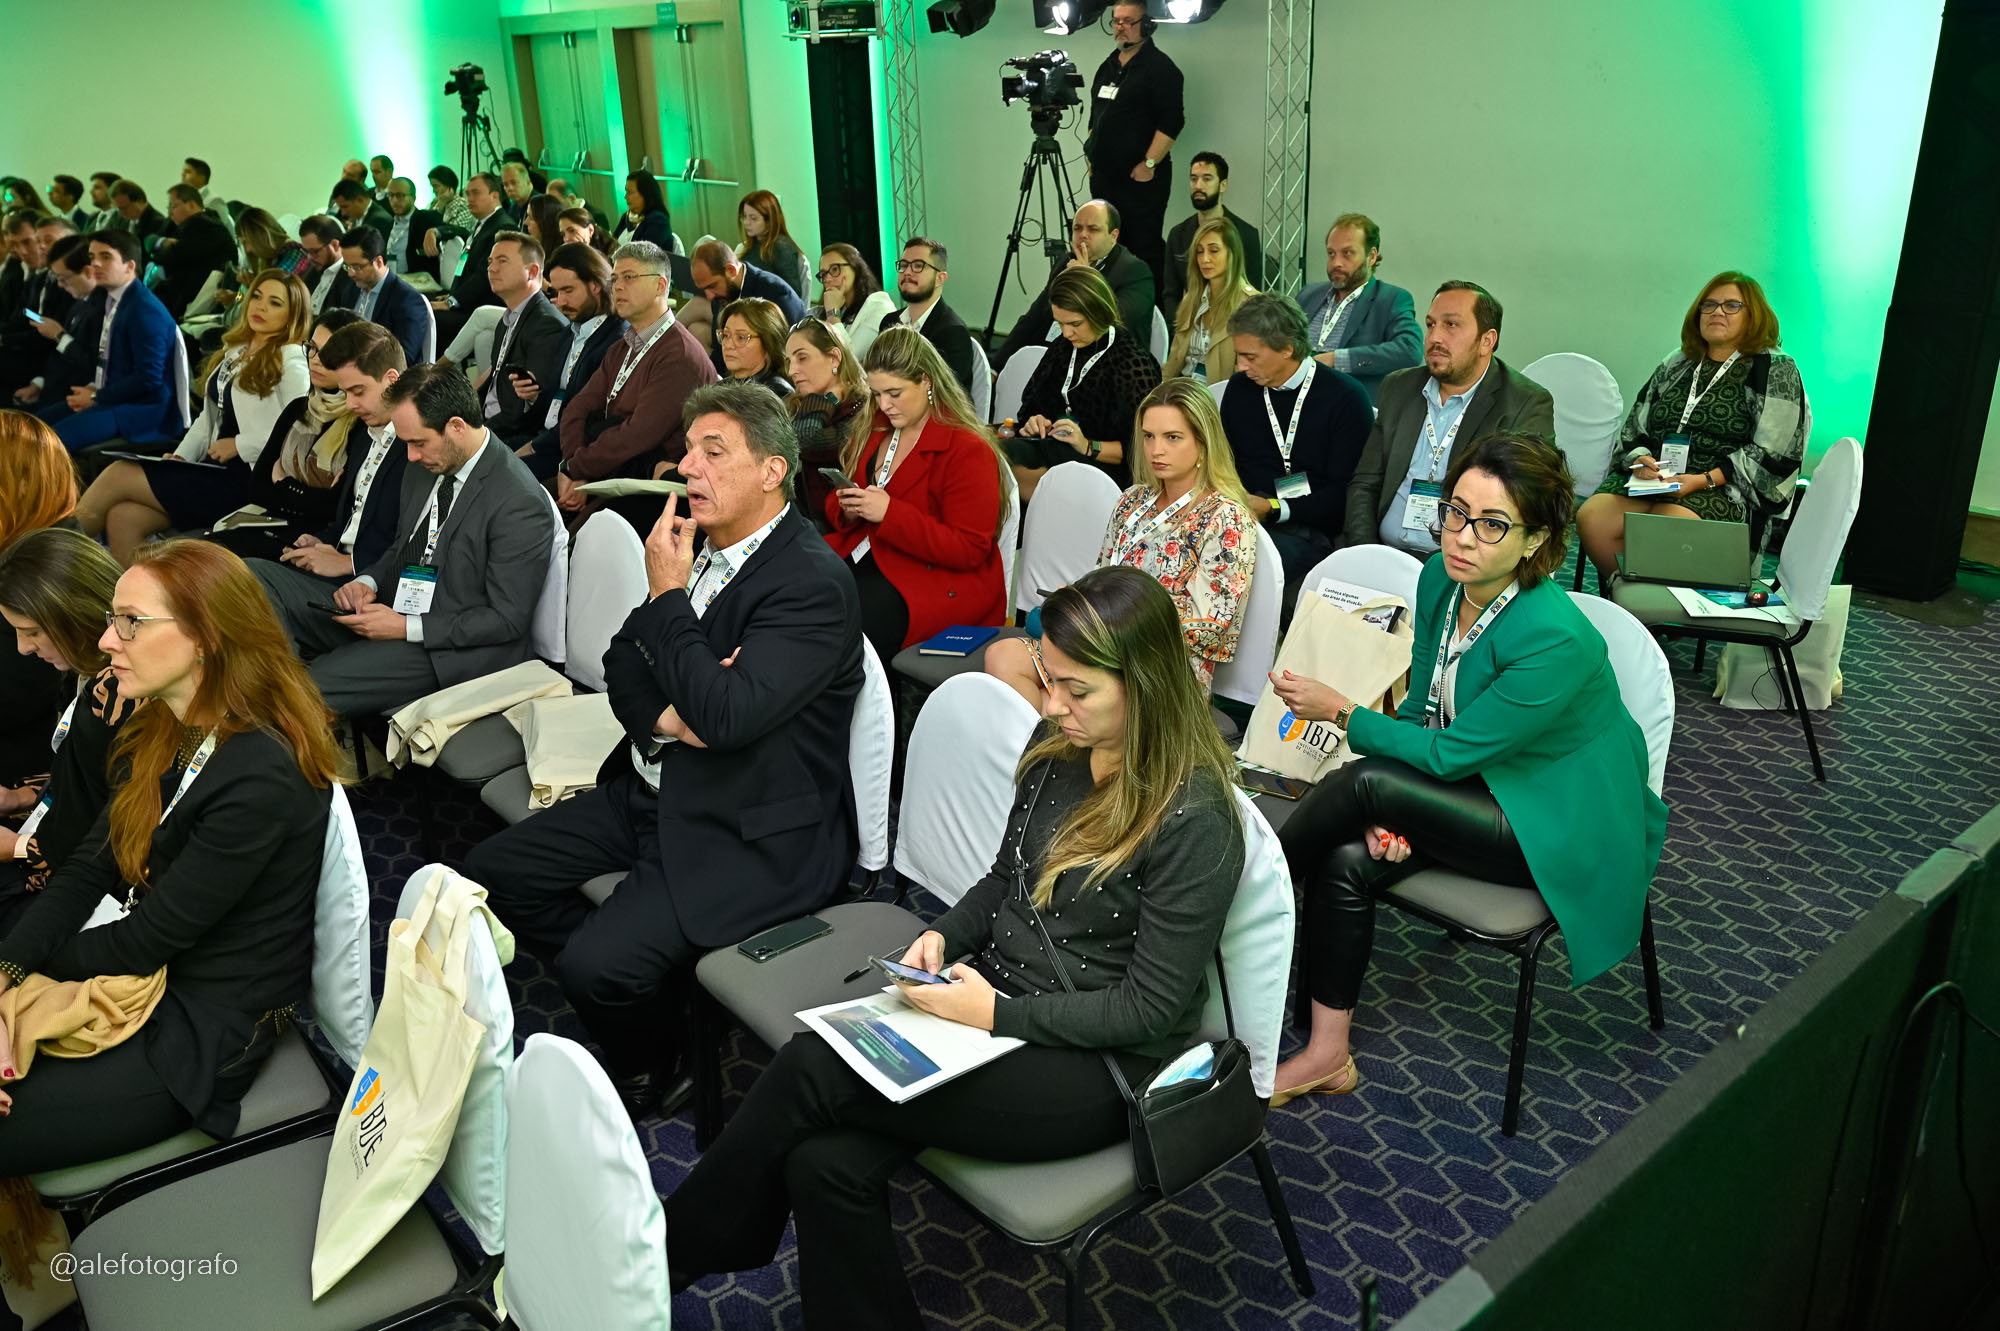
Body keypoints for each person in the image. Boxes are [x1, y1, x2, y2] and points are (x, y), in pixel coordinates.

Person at [662, 564, 1245, 1327]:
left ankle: (655, 1260)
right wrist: (943, 933)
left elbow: (1149, 1010)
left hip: (1103, 1066)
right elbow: (1005, 878)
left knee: (811, 1065)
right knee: (823, 1162)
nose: (1052, 705)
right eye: (1049, 680)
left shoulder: (1196, 814)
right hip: (997, 1001)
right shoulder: (1061, 741)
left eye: (1077, 690)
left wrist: (994, 1014)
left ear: (1145, 683)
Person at [465, 379, 864, 1118]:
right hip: (654, 783)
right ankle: (659, 985)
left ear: (772, 471)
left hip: (743, 824)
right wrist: (672, 720)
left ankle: (662, 1055)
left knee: (594, 968)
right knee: (491, 877)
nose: (687, 467)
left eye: (713, 452)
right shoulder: (702, 548)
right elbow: (624, 659)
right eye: (688, 451)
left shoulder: (812, 584)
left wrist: (669, 602)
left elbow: (727, 716)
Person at [1266, 434, 1667, 1105]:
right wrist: (1397, 809)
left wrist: (1342, 713)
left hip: (1555, 822)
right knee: (1346, 854)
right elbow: (1424, 711)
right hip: (1478, 783)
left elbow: (1448, 754)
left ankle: (1240, 902)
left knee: (1366, 784)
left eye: (1492, 524)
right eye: (1456, 511)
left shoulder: (1555, 637)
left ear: (1536, 540)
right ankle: (1328, 1054)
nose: (1462, 536)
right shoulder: (1440, 581)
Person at [0, 539, 338, 1175]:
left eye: (131, 622)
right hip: (141, 975)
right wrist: (7, 971)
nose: (106, 640)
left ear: (206, 636)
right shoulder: (166, 722)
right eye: (113, 618)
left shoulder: (261, 771)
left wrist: (27, 977)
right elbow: (90, 866)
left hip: (198, 1027)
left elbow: (145, 943)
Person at [261, 361, 553, 716]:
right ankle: (263, 689)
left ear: (456, 427)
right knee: (254, 579)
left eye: (418, 443)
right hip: (386, 607)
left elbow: (506, 619)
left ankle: (271, 713)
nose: (410, 456)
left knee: (300, 692)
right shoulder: (429, 463)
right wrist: (367, 581)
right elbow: (402, 546)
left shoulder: (518, 501)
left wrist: (405, 627)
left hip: (445, 649)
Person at [991, 376, 1256, 704]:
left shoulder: (1225, 517)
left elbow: (1208, 628)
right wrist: (1079, 596)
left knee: (1063, 696)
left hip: (1160, 665)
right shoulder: (1133, 500)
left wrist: (1111, 619)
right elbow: (1103, 573)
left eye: (1173, 437)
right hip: (1101, 643)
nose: (1156, 450)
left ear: (1204, 442)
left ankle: (1061, 731)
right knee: (1004, 657)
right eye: (1148, 436)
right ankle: (1059, 732)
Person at [1575, 271, 1808, 584]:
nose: (1717, 312)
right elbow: (1636, 426)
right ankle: (1630, 599)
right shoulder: (1679, 361)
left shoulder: (1774, 368)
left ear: (1754, 315)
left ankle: (1646, 605)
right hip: (1658, 478)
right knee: (1593, 518)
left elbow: (1774, 452)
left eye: (1731, 305)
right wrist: (1641, 459)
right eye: (1708, 305)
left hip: (1722, 486)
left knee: (1661, 528)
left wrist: (1703, 480)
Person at [75, 271, 311, 562]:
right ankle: (120, 590)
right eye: (257, 297)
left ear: (292, 316)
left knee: (119, 472)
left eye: (275, 303)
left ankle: (48, 555)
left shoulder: (292, 360)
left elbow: (301, 431)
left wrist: (240, 444)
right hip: (213, 469)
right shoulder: (237, 351)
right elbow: (208, 419)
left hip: (248, 480)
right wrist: (181, 456)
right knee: (124, 517)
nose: (260, 307)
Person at [823, 327, 1009, 664]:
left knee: (848, 621)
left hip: (935, 578)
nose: (884, 404)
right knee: (799, 592)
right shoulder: (877, 427)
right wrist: (849, 507)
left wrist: (889, 514)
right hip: (874, 555)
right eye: (877, 393)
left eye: (894, 393)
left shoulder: (967, 449)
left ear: (926, 381)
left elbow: (969, 549)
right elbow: (843, 498)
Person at [1342, 281, 1556, 558]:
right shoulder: (1399, 387)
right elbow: (1365, 483)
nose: (1435, 337)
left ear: (1487, 341)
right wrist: (1365, 552)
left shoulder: (1524, 404)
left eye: (1451, 325)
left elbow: (1523, 507)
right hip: (1382, 552)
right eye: (1431, 325)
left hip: (1461, 561)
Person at [0, 529, 129, 933]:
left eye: (32, 632)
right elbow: (86, 784)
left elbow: (115, 824)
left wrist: (19, 848)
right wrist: (23, 796)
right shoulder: (87, 671)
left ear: (76, 613)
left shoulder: (119, 692)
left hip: (94, 887)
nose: (23, 648)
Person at [1218, 293, 1373, 608]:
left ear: (1287, 348)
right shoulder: (1240, 389)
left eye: (1250, 357)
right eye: (1239, 356)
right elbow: (1225, 464)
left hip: (1311, 528)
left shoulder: (1345, 398)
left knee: (1231, 569)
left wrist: (1274, 508)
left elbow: (1344, 497)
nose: (1241, 366)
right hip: (1244, 517)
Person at [248, 320, 411, 599]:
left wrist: (350, 562)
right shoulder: (364, 436)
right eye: (345, 393)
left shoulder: (417, 445)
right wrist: (321, 542)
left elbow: (421, 542)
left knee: (247, 580)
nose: (350, 405)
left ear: (392, 380)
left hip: (370, 585)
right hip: (337, 567)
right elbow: (347, 521)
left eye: (358, 391)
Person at [556, 241, 716, 516]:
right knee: (530, 501)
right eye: (615, 278)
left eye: (629, 277)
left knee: (561, 526)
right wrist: (571, 466)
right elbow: (576, 409)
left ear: (660, 286)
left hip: (650, 487)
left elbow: (636, 436)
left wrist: (576, 468)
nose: (617, 287)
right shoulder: (622, 347)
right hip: (604, 469)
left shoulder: (679, 355)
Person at [205, 309, 367, 564]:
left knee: (212, 561)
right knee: (200, 553)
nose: (315, 360)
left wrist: (283, 483)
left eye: (328, 353)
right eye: (312, 348)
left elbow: (335, 509)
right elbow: (258, 489)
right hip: (272, 522)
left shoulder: (361, 421)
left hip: (317, 540)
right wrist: (309, 495)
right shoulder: (298, 409)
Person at [1009, 266, 1161, 499]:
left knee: (1015, 477)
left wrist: (1088, 445)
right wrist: (1035, 421)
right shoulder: (1062, 349)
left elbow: (1143, 448)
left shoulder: (1132, 364)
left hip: (1103, 468)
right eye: (1060, 324)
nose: (1066, 333)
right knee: (1000, 455)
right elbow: (1031, 406)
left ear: (1098, 312)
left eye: (1075, 324)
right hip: (1055, 449)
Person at [44, 231, 180, 453]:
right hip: (113, 398)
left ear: (129, 266)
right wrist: (94, 389)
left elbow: (149, 379)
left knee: (48, 444)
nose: (95, 263)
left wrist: (97, 395)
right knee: (34, 425)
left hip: (141, 410)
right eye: (92, 256)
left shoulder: (144, 310)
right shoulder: (115, 299)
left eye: (106, 257)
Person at [0, 413, 79, 788]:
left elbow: (15, 696)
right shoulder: (22, 541)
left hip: (23, 757)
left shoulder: (51, 569)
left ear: (21, 485)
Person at [1085, 0, 1185, 292]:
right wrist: (1092, 155)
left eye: (1128, 21)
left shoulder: (1161, 68)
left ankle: (1152, 311)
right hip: (1105, 179)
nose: (1120, 28)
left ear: (1147, 25)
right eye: (1116, 21)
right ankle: (1109, 307)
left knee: (1142, 249)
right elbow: (1095, 115)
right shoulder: (1108, 66)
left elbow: (1172, 122)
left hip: (1140, 182)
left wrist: (1149, 163)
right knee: (1106, 248)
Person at [994, 199, 1157, 369]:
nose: (1083, 235)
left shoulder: (1135, 272)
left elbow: (1109, 325)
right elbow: (1034, 318)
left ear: (1113, 236)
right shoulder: (1066, 261)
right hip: (1054, 356)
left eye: (1093, 229)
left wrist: (1084, 279)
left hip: (1109, 366)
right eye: (1077, 228)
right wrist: (996, 366)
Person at [518, 242, 625, 483]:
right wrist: (534, 396)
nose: (561, 302)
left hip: (572, 450)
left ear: (595, 285)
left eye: (568, 291)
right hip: (546, 436)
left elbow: (590, 416)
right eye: (556, 292)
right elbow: (559, 397)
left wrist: (532, 447)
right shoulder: (570, 332)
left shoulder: (615, 341)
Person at [1299, 213, 1422, 405]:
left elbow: (1409, 350)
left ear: (1371, 256)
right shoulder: (1308, 294)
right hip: (1298, 401)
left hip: (1346, 406)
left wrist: (1336, 360)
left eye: (1347, 253)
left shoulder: (1390, 299)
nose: (1336, 263)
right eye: (1331, 253)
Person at [473, 232, 569, 449]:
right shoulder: (508, 318)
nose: (491, 268)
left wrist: (478, 433)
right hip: (487, 420)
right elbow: (495, 377)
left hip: (510, 435)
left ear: (532, 272)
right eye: (490, 261)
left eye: (502, 261)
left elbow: (526, 413)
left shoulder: (546, 324)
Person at [784, 316, 869, 531]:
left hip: (847, 530)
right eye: (789, 361)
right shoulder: (794, 404)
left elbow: (804, 440)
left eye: (802, 358)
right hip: (804, 527)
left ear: (834, 358)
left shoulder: (862, 409)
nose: (792, 371)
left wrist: (825, 400)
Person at [1163, 151, 1263, 313]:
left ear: (1223, 185)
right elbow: (1170, 294)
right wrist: (1181, 324)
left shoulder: (1246, 234)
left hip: (1233, 320)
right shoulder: (1178, 235)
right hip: (1189, 321)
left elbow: (1253, 294)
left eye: (1207, 179)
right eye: (1194, 179)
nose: (1198, 186)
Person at [1162, 216, 1256, 383]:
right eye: (1199, 251)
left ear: (1232, 254)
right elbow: (1173, 361)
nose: (1204, 259)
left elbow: (1247, 372)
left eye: (1213, 250)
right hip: (1184, 388)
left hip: (1221, 393)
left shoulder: (1251, 305)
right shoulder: (1191, 299)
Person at [878, 236, 975, 396]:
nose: (907, 272)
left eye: (918, 266)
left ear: (940, 278)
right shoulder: (889, 322)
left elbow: (950, 398)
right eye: (904, 265)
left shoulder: (952, 332)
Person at [689, 239, 808, 370]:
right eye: (704, 289)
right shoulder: (721, 296)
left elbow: (786, 356)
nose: (709, 296)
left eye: (712, 286)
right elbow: (719, 353)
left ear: (731, 270)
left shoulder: (776, 294)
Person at [15, 235, 101, 411]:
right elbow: (58, 357)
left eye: (63, 278)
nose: (60, 285)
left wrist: (59, 335)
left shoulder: (103, 308)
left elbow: (91, 365)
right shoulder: (79, 302)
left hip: (78, 396)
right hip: (53, 389)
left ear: (88, 272)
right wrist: (38, 384)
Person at [0, 213, 76, 397]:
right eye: (39, 241)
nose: (41, 247)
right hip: (30, 351)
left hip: (46, 360)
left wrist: (4, 339)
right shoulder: (39, 279)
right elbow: (27, 315)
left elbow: (49, 334)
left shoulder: (71, 285)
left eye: (48, 241)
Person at [428, 172, 510, 338]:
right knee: (422, 300)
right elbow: (465, 264)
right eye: (467, 194)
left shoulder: (502, 227)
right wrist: (453, 294)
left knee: (429, 315)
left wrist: (452, 302)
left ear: (495, 196)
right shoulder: (482, 223)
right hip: (467, 299)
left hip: (482, 306)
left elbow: (484, 275)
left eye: (476, 193)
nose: (470, 199)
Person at [336, 226, 430, 364]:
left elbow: (405, 357)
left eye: (357, 267)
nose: (350, 273)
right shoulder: (350, 291)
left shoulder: (406, 299)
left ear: (378, 262)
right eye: (347, 266)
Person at [153, 185, 235, 322]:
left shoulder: (203, 226)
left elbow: (168, 258)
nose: (170, 213)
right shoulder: (200, 223)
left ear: (191, 204)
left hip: (198, 302)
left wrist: (166, 246)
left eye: (173, 206)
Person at [809, 243, 894, 362]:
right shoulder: (830, 310)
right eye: (823, 274)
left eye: (835, 269)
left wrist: (833, 314)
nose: (827, 279)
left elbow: (851, 359)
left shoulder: (878, 304)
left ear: (855, 268)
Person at [736, 190, 807, 299]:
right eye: (744, 216)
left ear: (769, 221)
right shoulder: (747, 247)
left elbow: (792, 294)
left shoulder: (782, 247)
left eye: (753, 218)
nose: (746, 222)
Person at [717, 298, 795, 399]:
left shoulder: (778, 394)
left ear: (768, 343)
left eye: (741, 337)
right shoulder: (718, 389)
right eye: (726, 335)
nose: (728, 345)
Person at [381, 177, 443, 282]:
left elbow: (461, 232)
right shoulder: (387, 223)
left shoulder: (426, 218)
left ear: (413, 198)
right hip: (390, 279)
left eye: (399, 196)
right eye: (390, 195)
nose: (394, 200)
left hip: (417, 281)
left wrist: (434, 231)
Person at [299, 215, 354, 317]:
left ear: (335, 245)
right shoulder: (312, 271)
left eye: (315, 251)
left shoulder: (351, 279)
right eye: (306, 251)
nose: (309, 257)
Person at [613, 172, 673, 251]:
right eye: (626, 192)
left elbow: (644, 253)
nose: (626, 196)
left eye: (630, 192)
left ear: (645, 193)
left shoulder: (658, 221)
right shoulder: (626, 217)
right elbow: (612, 244)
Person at [107, 180, 168, 252]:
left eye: (125, 208)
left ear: (140, 200)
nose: (121, 213)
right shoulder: (117, 218)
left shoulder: (159, 223)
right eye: (118, 208)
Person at [429, 165, 475, 234]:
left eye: (436, 186)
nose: (433, 191)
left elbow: (451, 233)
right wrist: (439, 206)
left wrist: (442, 204)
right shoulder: (436, 204)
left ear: (448, 186)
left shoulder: (463, 207)